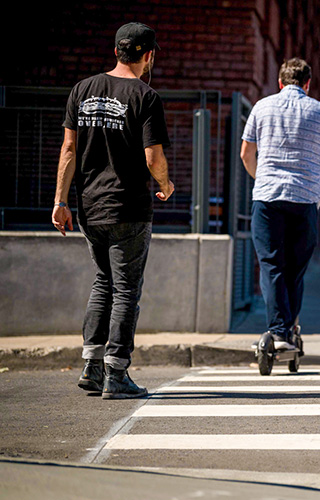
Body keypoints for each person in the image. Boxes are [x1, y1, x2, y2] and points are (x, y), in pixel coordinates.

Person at [52, 22, 174, 398]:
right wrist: (165, 184)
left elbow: (69, 150)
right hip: (128, 208)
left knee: (103, 281)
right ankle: (116, 373)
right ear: (148, 55)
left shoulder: (82, 90)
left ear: (116, 51)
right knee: (125, 290)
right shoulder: (145, 96)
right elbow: (152, 156)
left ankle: (91, 366)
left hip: (89, 207)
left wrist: (60, 200)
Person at [240, 58, 320, 350]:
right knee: (295, 268)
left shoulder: (261, 106)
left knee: (271, 265)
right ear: (308, 84)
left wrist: (262, 177)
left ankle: (278, 331)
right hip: (305, 198)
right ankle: (289, 327)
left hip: (267, 198)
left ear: (280, 83)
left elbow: (247, 153)